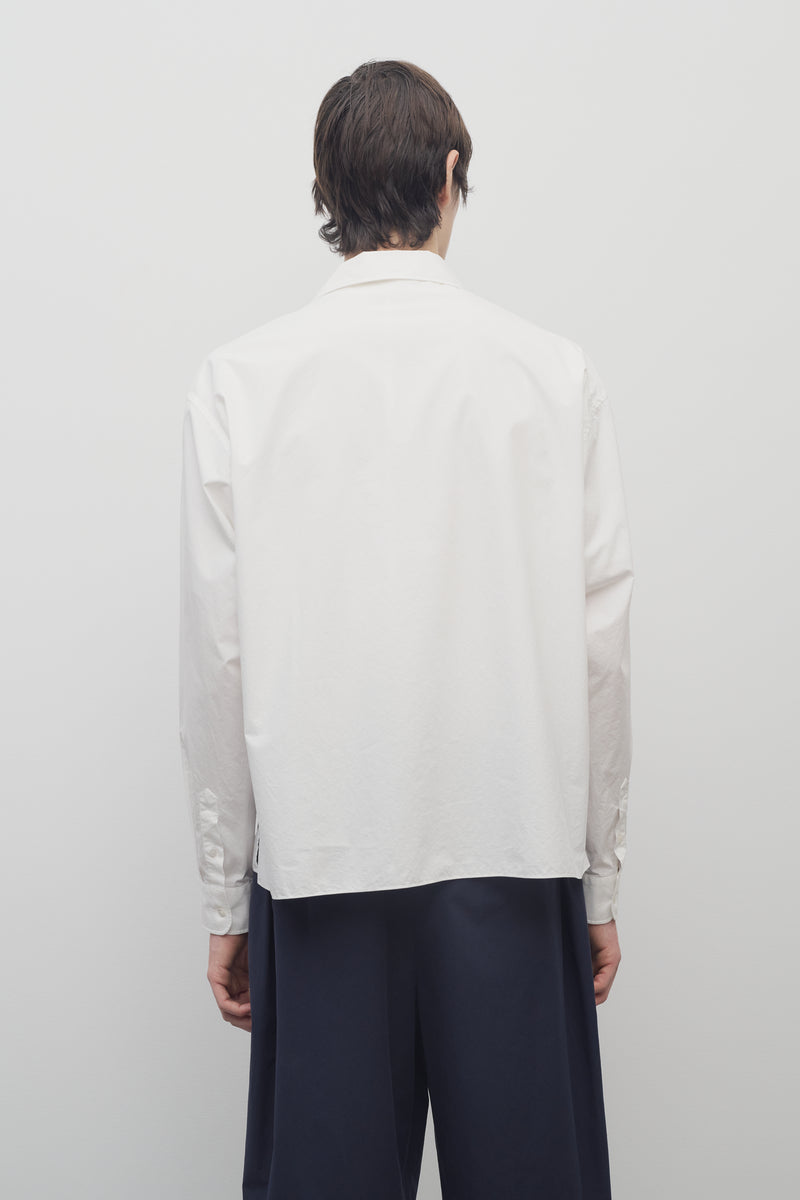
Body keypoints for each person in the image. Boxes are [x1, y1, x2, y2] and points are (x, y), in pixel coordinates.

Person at [178, 58, 634, 1200]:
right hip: (515, 846)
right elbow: (601, 649)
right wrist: (599, 879)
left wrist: (226, 896)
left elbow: (218, 660)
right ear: (449, 175)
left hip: (323, 855)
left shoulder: (239, 382)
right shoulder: (552, 374)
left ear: (325, 192)